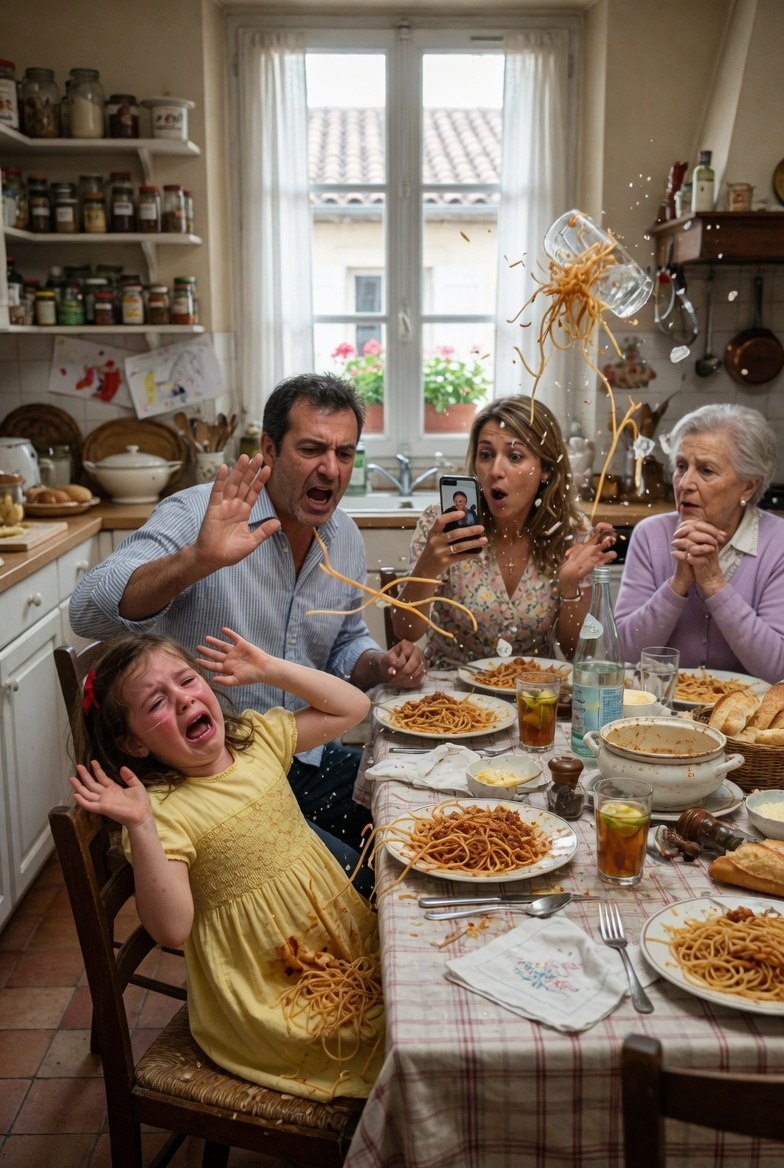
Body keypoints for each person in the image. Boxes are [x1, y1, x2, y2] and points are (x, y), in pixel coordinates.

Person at [69, 373, 425, 866]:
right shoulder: (199, 512)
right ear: (269, 449)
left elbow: (345, 642)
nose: (330, 468)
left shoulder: (342, 534)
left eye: (344, 453)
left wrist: (378, 663)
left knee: (416, 821)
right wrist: (197, 560)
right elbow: (86, 610)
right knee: (370, 880)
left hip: (301, 756)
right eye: (311, 449)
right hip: (212, 781)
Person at [68, 629, 384, 1101]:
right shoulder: (163, 811)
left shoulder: (254, 740)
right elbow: (171, 929)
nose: (182, 699)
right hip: (269, 992)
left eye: (187, 680)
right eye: (156, 703)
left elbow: (353, 707)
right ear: (133, 745)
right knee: (398, 1042)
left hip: (339, 949)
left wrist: (271, 669)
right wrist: (141, 825)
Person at [392, 395, 617, 668]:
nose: (495, 471)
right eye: (486, 455)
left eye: (515, 457)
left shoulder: (571, 532)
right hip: (449, 687)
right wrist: (428, 568)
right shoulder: (441, 525)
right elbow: (405, 630)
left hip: (532, 689)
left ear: (546, 469)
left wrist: (570, 587)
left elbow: (575, 653)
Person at [615, 403, 784, 683]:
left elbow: (778, 669)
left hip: (747, 708)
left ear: (748, 486)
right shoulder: (650, 534)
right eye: (681, 466)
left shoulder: (778, 543)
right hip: (659, 705)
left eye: (706, 470)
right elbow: (623, 653)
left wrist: (714, 583)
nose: (684, 483)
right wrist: (678, 584)